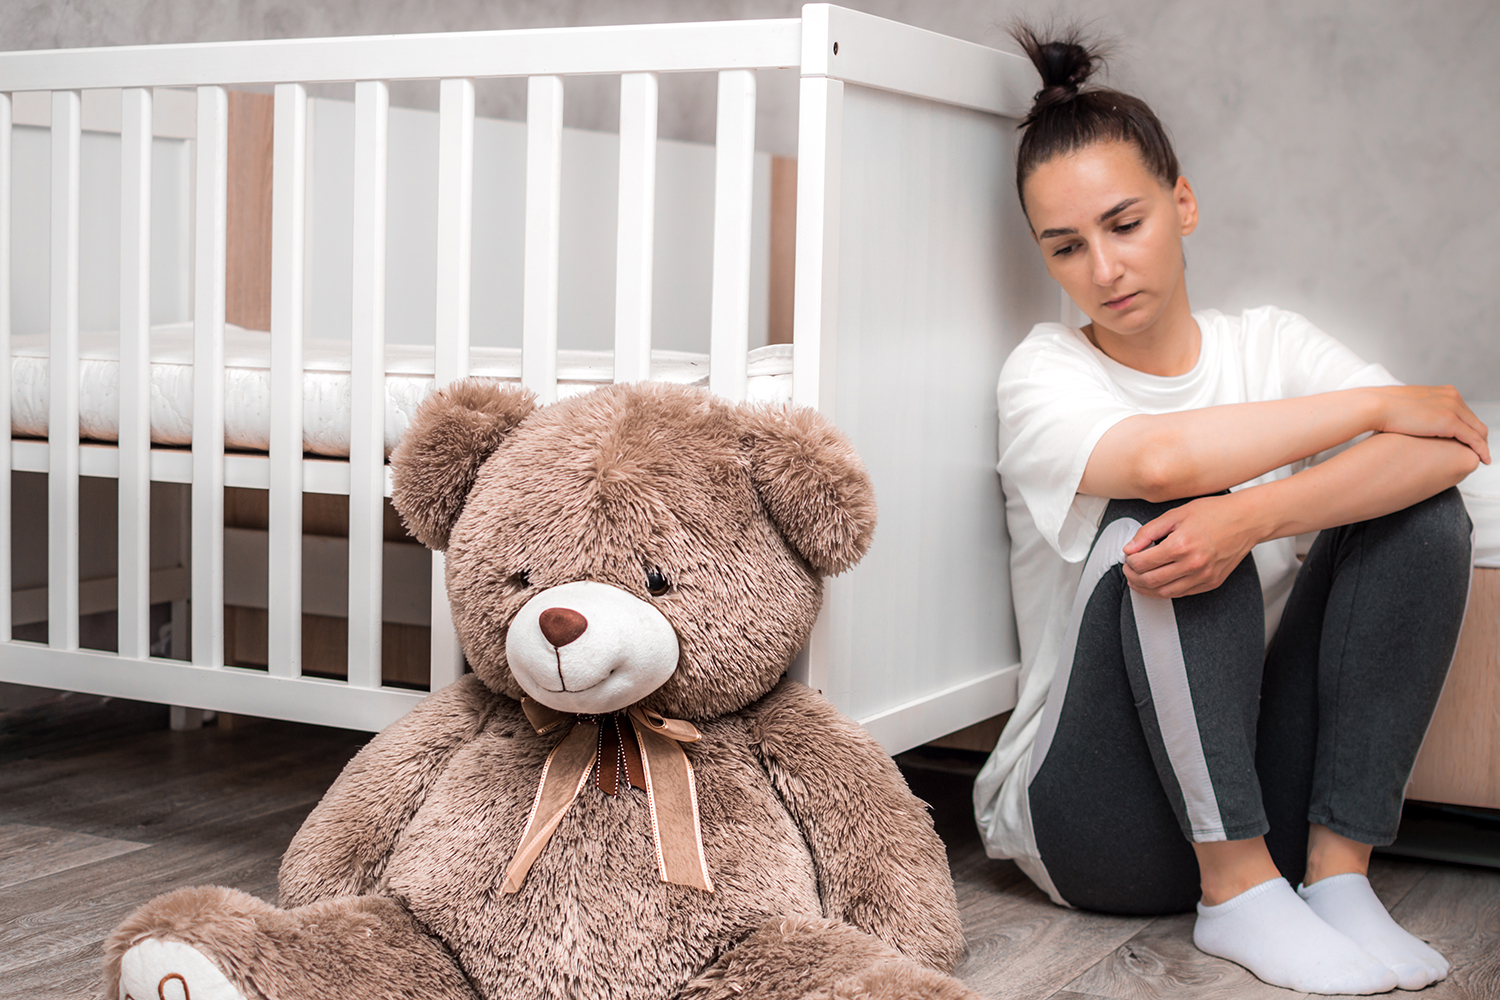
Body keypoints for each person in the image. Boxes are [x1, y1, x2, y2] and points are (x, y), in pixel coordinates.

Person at [972, 26, 1486, 996]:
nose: (1104, 269)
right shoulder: (1043, 373)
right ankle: (1237, 891)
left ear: (1183, 204)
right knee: (1170, 508)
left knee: (1424, 514)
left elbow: (1444, 446)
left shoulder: (1270, 345)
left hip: (1259, 786)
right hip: (1097, 822)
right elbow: (1161, 458)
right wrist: (1372, 409)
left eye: (1125, 224)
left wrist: (1256, 516)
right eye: (1067, 247)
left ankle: (1336, 880)